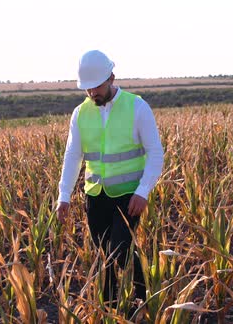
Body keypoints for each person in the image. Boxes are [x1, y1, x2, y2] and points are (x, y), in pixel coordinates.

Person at [55, 50, 164, 308]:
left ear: (112, 77)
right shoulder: (80, 114)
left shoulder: (137, 106)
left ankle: (142, 297)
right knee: (105, 254)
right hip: (95, 195)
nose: (93, 93)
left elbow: (155, 153)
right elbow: (73, 156)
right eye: (88, 88)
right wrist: (64, 196)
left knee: (120, 248)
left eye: (97, 87)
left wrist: (143, 191)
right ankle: (112, 306)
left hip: (129, 196)